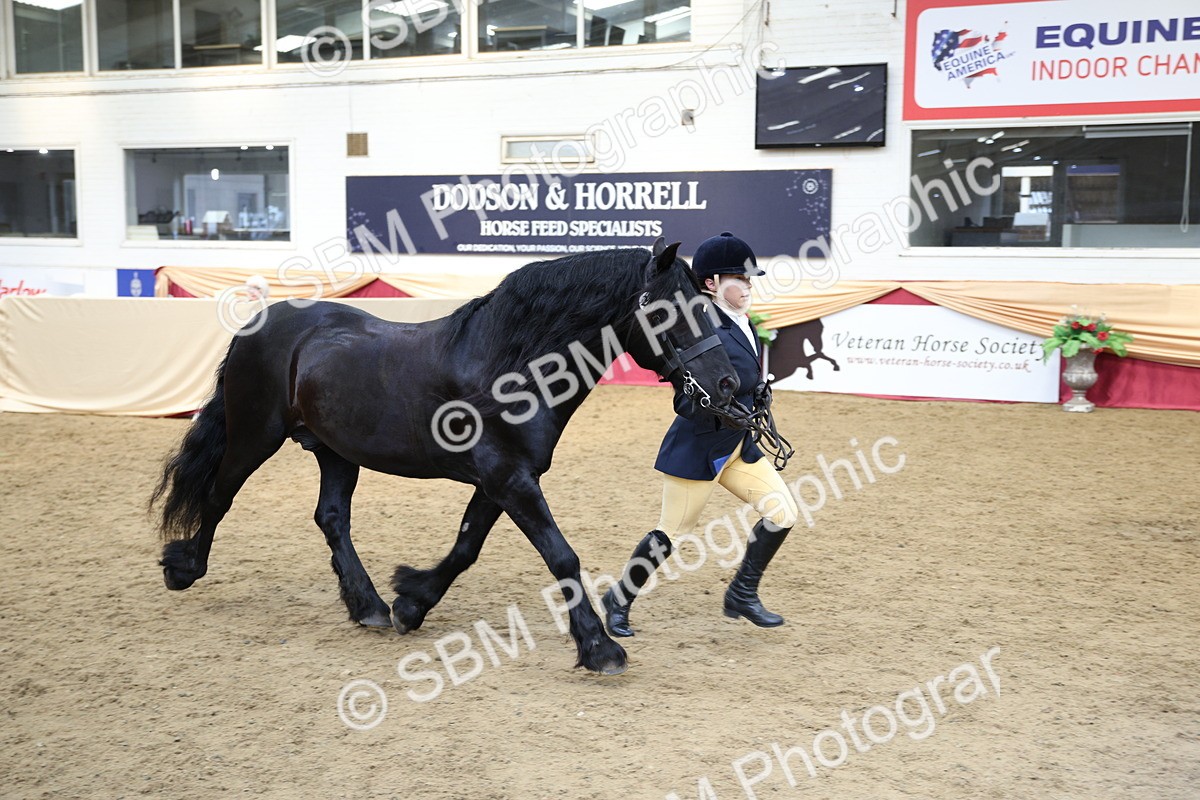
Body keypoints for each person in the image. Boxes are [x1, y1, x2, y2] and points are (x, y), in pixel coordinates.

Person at [602, 232, 800, 636]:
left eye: (750, 279)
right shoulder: (699, 327)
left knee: (783, 513)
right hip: (699, 447)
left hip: (738, 446)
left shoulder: (740, 321)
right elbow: (684, 398)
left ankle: (742, 594)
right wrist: (717, 404)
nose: (748, 286)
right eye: (740, 279)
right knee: (672, 533)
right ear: (710, 284)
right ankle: (618, 598)